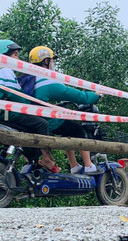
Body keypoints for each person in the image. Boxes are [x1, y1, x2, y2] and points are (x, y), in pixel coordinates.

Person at [0, 39, 59, 172]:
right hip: (8, 114)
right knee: (42, 124)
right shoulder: (5, 71)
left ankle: (31, 162)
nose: (18, 58)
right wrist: (30, 106)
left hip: (1, 113)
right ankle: (47, 159)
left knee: (31, 129)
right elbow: (14, 95)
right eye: (15, 54)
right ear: (4, 56)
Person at [28, 45, 101, 174]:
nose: (53, 63)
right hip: (44, 120)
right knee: (76, 129)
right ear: (45, 61)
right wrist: (95, 95)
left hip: (30, 118)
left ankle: (74, 165)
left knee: (66, 128)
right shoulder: (46, 81)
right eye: (52, 60)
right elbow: (74, 95)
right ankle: (88, 165)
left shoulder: (29, 78)